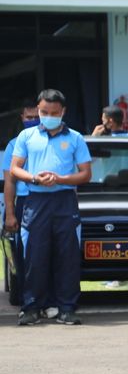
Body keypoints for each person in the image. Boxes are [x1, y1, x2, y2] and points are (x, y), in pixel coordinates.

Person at [11, 89, 92, 326]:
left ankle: (67, 308)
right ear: (38, 109)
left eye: (53, 113)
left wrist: (61, 179)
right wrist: (34, 178)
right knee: (34, 255)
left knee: (67, 255)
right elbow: (15, 168)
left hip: (64, 200)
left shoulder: (75, 138)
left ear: (63, 112)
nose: (48, 116)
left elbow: (86, 173)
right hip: (35, 201)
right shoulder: (26, 136)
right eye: (44, 112)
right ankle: (32, 307)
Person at [2, 100, 48, 320]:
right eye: (28, 117)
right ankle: (27, 300)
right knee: (24, 254)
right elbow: (9, 181)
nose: (32, 121)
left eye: (36, 116)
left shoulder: (52, 139)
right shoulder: (14, 144)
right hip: (24, 201)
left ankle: (50, 300)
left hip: (50, 201)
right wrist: (10, 213)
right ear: (21, 118)